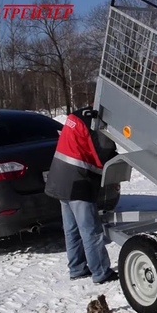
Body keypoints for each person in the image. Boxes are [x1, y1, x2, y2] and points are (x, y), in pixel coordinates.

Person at [45, 105, 119, 284]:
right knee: (90, 230)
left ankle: (77, 268)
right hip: (77, 181)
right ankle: (101, 272)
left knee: (71, 229)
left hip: (60, 178)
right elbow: (103, 153)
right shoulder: (93, 122)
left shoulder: (77, 116)